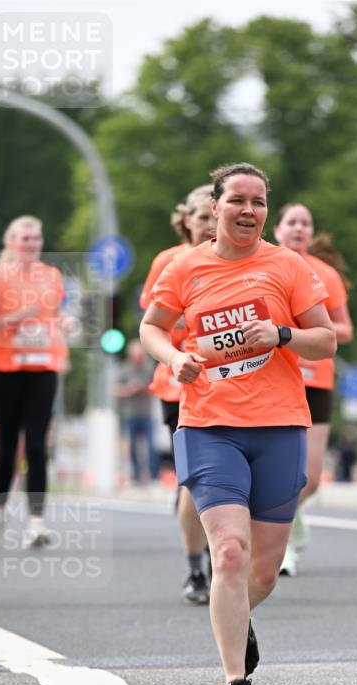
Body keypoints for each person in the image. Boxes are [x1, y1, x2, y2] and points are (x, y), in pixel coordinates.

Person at [140, 162, 335, 685]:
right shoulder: (186, 267)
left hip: (278, 426)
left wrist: (282, 334)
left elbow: (325, 342)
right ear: (216, 206)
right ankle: (235, 682)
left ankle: (237, 615)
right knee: (228, 551)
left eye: (258, 202)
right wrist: (175, 356)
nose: (248, 211)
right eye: (237, 201)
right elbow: (151, 327)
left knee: (263, 571)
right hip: (208, 425)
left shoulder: (287, 265)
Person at [140, 185, 216, 604]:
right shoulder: (168, 262)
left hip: (229, 384)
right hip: (179, 383)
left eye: (213, 215)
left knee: (217, 483)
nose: (208, 224)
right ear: (186, 219)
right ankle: (195, 568)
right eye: (201, 217)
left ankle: (216, 551)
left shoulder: (241, 262)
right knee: (195, 480)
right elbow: (154, 322)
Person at [273, 207, 353, 575]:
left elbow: (344, 329)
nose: (299, 228)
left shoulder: (325, 275)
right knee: (281, 472)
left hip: (316, 380)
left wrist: (304, 332)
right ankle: (283, 545)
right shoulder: (264, 268)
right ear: (277, 229)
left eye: (305, 223)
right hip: (273, 380)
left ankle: (288, 515)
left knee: (313, 477)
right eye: (292, 222)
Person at [0, 216, 66, 548]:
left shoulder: (52, 276)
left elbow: (55, 316)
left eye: (36, 238)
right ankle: (2, 508)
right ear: (11, 242)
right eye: (25, 239)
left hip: (42, 368)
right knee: (7, 444)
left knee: (36, 445)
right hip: (5, 368)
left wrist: (67, 322)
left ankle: (36, 522)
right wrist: (19, 317)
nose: (32, 244)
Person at [113, 338, 158, 484]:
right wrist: (129, 389)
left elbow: (157, 386)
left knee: (151, 447)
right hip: (130, 414)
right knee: (131, 447)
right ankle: (136, 476)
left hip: (147, 413)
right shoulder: (124, 368)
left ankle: (153, 476)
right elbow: (115, 390)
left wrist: (145, 389)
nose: (139, 359)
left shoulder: (149, 368)